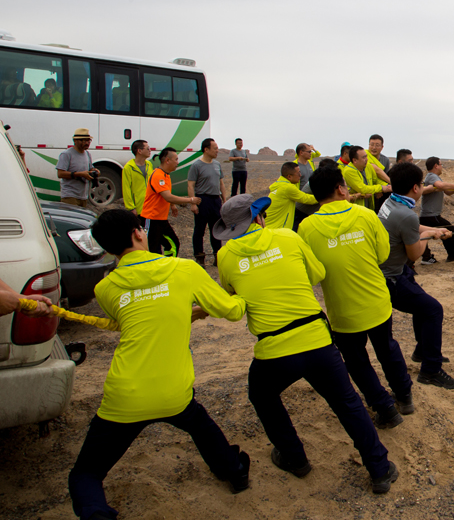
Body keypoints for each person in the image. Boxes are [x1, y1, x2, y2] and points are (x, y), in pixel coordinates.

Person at [69, 209, 251, 519]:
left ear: (108, 248)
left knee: (85, 474)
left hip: (124, 395)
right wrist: (246, 294)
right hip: (172, 391)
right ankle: (235, 473)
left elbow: (132, 316)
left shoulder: (105, 288)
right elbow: (232, 312)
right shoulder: (184, 269)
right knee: (198, 422)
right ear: (139, 233)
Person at [213, 195, 399, 494]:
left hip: (273, 349)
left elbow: (233, 294)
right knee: (348, 403)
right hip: (316, 339)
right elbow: (317, 274)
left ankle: (294, 458)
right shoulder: (288, 237)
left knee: (261, 395)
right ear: (259, 218)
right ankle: (379, 469)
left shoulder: (225, 256)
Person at [297, 167, 412, 428]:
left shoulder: (306, 227)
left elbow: (313, 274)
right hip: (377, 300)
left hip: (343, 309)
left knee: (357, 361)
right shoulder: (366, 215)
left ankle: (384, 408)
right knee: (387, 347)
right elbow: (383, 254)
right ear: (341, 189)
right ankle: (404, 395)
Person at [377, 162, 454, 389]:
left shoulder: (391, 202)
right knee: (433, 309)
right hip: (391, 277)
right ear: (416, 187)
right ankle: (431, 370)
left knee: (422, 306)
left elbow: (409, 228)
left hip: (392, 269)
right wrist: (431, 236)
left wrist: (432, 231)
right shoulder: (407, 215)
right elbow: (414, 253)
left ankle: (422, 350)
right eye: (423, 185)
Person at [141, 147, 200, 257]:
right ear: (167, 160)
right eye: (176, 159)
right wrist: (191, 200)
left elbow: (165, 194)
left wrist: (172, 206)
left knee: (173, 244)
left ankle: (166, 266)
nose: (177, 162)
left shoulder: (166, 175)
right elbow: (168, 196)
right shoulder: (158, 175)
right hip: (151, 219)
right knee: (155, 250)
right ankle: (157, 270)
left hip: (161, 219)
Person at [419, 157, 454, 269]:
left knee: (447, 232)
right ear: (436, 166)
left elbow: (447, 192)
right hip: (430, 216)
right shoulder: (432, 177)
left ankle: (452, 255)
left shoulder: (435, 177)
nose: (442, 166)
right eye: (441, 164)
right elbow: (441, 186)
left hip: (431, 215)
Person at [188, 138, 226, 268]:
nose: (217, 150)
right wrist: (193, 203)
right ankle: (199, 257)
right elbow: (191, 185)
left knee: (216, 229)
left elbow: (221, 183)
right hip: (202, 200)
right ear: (206, 149)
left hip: (216, 200)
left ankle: (217, 256)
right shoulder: (196, 165)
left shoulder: (217, 164)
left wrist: (224, 200)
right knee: (199, 230)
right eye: (215, 148)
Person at [265, 162, 317, 230]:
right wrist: (326, 197)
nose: (300, 175)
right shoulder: (287, 188)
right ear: (289, 176)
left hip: (269, 226)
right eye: (298, 173)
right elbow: (306, 199)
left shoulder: (279, 184)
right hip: (277, 228)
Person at [56, 128, 98, 206]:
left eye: (88, 140)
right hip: (70, 196)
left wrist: (95, 171)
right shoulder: (66, 154)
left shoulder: (87, 154)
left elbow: (90, 169)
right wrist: (79, 174)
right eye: (83, 140)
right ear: (75, 141)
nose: (87, 143)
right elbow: (60, 174)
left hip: (83, 196)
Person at [344, 145, 392, 212]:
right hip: (356, 210)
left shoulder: (368, 166)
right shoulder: (349, 171)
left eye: (366, 156)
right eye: (363, 157)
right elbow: (362, 189)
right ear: (354, 160)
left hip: (369, 208)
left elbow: (376, 180)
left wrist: (387, 186)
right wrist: (381, 188)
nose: (366, 159)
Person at [292, 143, 322, 229]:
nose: (311, 153)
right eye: (309, 151)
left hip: (311, 201)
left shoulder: (310, 163)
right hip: (299, 204)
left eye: (311, 151)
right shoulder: (294, 166)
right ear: (301, 152)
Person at [122, 140, 153, 216]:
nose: (150, 150)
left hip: (150, 207)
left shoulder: (149, 165)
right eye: (147, 148)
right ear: (139, 151)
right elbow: (126, 189)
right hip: (138, 209)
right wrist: (131, 208)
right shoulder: (128, 168)